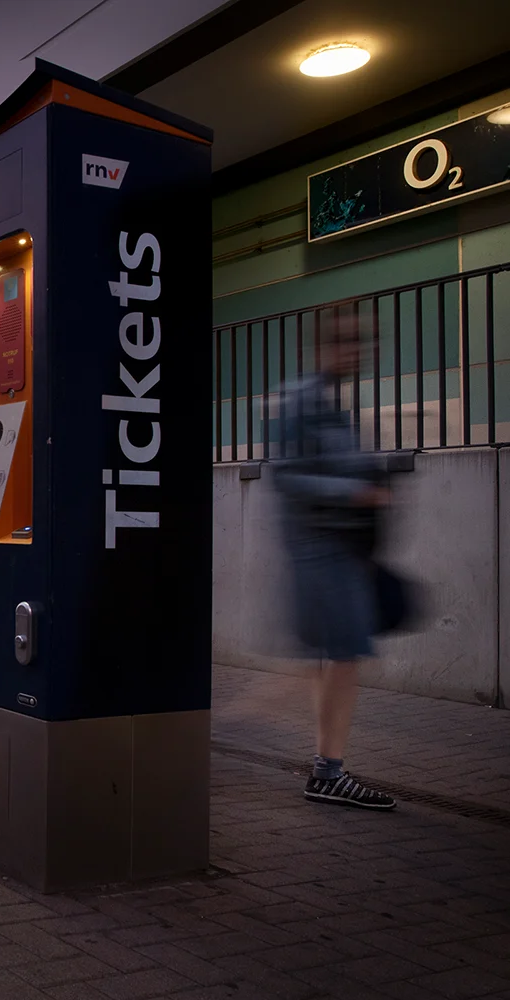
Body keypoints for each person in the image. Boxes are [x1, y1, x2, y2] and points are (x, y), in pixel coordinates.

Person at [272, 312, 396, 810]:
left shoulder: (329, 402)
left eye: (361, 341)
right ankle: (327, 771)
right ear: (322, 348)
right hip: (318, 549)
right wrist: (354, 492)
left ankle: (326, 768)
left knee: (339, 655)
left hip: (337, 549)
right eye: (346, 341)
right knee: (344, 653)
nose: (357, 350)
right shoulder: (302, 398)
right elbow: (284, 474)